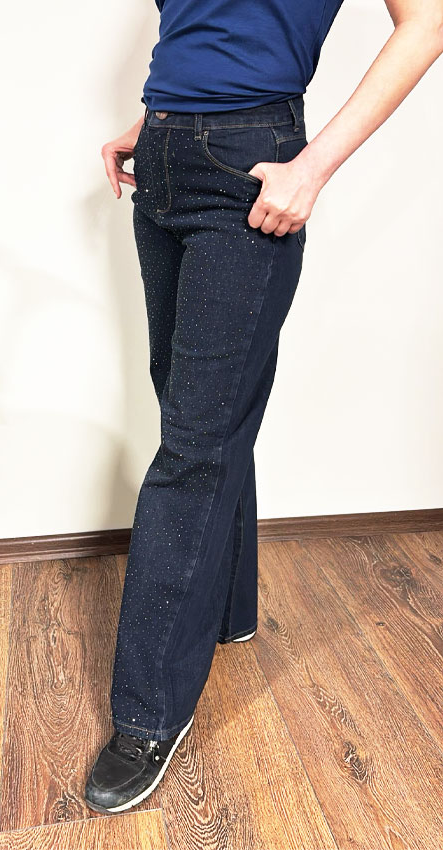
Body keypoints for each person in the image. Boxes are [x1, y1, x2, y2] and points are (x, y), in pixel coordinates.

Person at [85, 0, 443, 814]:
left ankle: (147, 716)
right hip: (163, 155)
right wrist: (154, 121)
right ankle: (228, 609)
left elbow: (428, 22)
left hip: (249, 162)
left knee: (192, 448)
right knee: (198, 420)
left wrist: (311, 168)